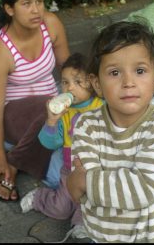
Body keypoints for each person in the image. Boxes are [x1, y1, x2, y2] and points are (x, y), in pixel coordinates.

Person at [66, 20, 154, 243]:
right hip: (103, 237)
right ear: (97, 84)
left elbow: (143, 189)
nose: (128, 82)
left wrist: (87, 183)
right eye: (114, 73)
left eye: (140, 70)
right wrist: (90, 185)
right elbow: (84, 187)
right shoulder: (87, 126)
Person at [0, 0, 70, 201]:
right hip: (13, 120)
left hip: (52, 118)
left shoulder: (51, 24)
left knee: (59, 175)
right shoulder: (0, 48)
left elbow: (68, 67)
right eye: (26, 3)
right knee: (50, 107)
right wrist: (0, 160)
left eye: (39, 1)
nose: (36, 10)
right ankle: (10, 163)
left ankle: (16, 157)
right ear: (10, 9)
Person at [20, 53, 103, 239]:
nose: (70, 87)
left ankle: (82, 225)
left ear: (93, 82)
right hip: (69, 172)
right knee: (60, 210)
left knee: (91, 206)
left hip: (96, 172)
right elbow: (50, 143)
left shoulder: (102, 106)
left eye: (77, 81)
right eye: (65, 82)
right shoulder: (64, 114)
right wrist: (51, 121)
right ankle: (39, 198)